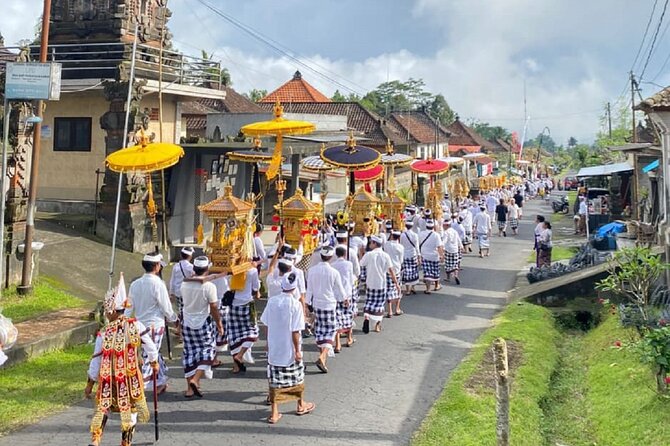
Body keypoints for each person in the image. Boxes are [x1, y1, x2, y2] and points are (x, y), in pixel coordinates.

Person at [85, 286, 158, 446]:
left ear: (112, 311)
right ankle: (125, 443)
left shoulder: (104, 332)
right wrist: (154, 362)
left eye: (106, 310)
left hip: (108, 377)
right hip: (130, 377)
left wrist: (90, 383)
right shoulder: (135, 326)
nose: (105, 313)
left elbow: (96, 360)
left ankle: (96, 440)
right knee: (130, 410)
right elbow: (151, 347)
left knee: (103, 408)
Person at [261, 273, 316, 424]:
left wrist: (267, 341)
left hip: (275, 345)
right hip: (289, 347)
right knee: (297, 376)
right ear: (294, 287)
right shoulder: (295, 304)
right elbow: (295, 331)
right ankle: (300, 404)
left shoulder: (272, 301)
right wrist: (297, 350)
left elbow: (265, 324)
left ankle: (274, 412)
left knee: (274, 379)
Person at [126, 253, 178, 393]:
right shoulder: (158, 284)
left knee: (153, 352)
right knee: (150, 354)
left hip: (140, 324)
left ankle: (160, 381)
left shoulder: (135, 284)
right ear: (156, 266)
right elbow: (166, 307)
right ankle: (140, 386)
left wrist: (124, 321)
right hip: (154, 325)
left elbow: (129, 305)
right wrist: (174, 319)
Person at [180, 256, 224, 397]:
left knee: (189, 353)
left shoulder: (184, 284)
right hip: (203, 322)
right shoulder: (209, 287)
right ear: (207, 269)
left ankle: (189, 388)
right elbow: (214, 307)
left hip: (187, 322)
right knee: (208, 350)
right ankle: (196, 379)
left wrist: (217, 275)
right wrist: (219, 324)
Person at [306, 246, 347, 373]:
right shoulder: (334, 272)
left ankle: (323, 358)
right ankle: (322, 356)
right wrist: (345, 299)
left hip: (317, 304)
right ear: (330, 257)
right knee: (330, 331)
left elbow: (310, 289)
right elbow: (340, 290)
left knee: (320, 332)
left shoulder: (312, 270)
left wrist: (307, 303)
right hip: (329, 304)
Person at [359, 235, 400, 333]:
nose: (370, 244)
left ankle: (367, 317)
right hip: (381, 284)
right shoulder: (385, 255)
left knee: (369, 303)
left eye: (371, 243)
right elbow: (391, 270)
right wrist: (396, 283)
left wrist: (361, 253)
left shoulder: (369, 254)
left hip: (370, 283)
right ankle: (377, 325)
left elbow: (361, 264)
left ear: (374, 243)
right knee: (380, 305)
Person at [227, 261, 261, 374]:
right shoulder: (252, 270)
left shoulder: (232, 268)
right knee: (253, 332)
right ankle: (240, 355)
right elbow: (256, 287)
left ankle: (236, 366)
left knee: (233, 335)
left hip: (233, 305)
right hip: (247, 304)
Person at [331, 246, 355, 350]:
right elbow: (350, 279)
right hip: (347, 293)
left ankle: (338, 344)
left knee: (336, 318)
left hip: (335, 294)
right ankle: (349, 338)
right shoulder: (349, 264)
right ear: (345, 254)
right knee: (348, 316)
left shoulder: (332, 265)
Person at [383, 230, 405, 316]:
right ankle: (397, 309)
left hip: (387, 269)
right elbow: (401, 260)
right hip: (397, 269)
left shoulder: (387, 244)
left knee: (389, 289)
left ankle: (390, 311)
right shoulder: (400, 247)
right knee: (398, 288)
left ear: (391, 235)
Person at [418, 220, 443, 294]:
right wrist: (441, 255)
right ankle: (436, 285)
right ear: (433, 227)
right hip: (434, 256)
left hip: (424, 255)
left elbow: (418, 244)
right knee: (436, 271)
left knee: (427, 273)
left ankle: (428, 288)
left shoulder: (421, 234)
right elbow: (439, 246)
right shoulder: (436, 235)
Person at [169, 247, 194, 317]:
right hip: (188, 292)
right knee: (188, 311)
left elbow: (172, 280)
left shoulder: (176, 266)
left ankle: (181, 324)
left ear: (181, 255)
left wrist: (171, 293)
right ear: (190, 256)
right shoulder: (191, 267)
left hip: (178, 292)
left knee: (180, 311)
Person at [400, 220, 421, 295]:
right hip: (413, 254)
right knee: (414, 272)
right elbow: (417, 246)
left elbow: (401, 245)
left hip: (405, 255)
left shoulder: (402, 235)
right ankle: (413, 287)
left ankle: (408, 289)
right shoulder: (415, 235)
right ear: (412, 226)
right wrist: (419, 256)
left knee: (407, 272)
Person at [442, 219, 463, 285]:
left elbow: (444, 241)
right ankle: (456, 275)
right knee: (455, 264)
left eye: (443, 225)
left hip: (448, 250)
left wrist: (441, 247)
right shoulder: (454, 231)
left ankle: (448, 278)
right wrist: (461, 246)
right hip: (455, 249)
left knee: (448, 264)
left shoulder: (446, 232)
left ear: (446, 225)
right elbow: (458, 239)